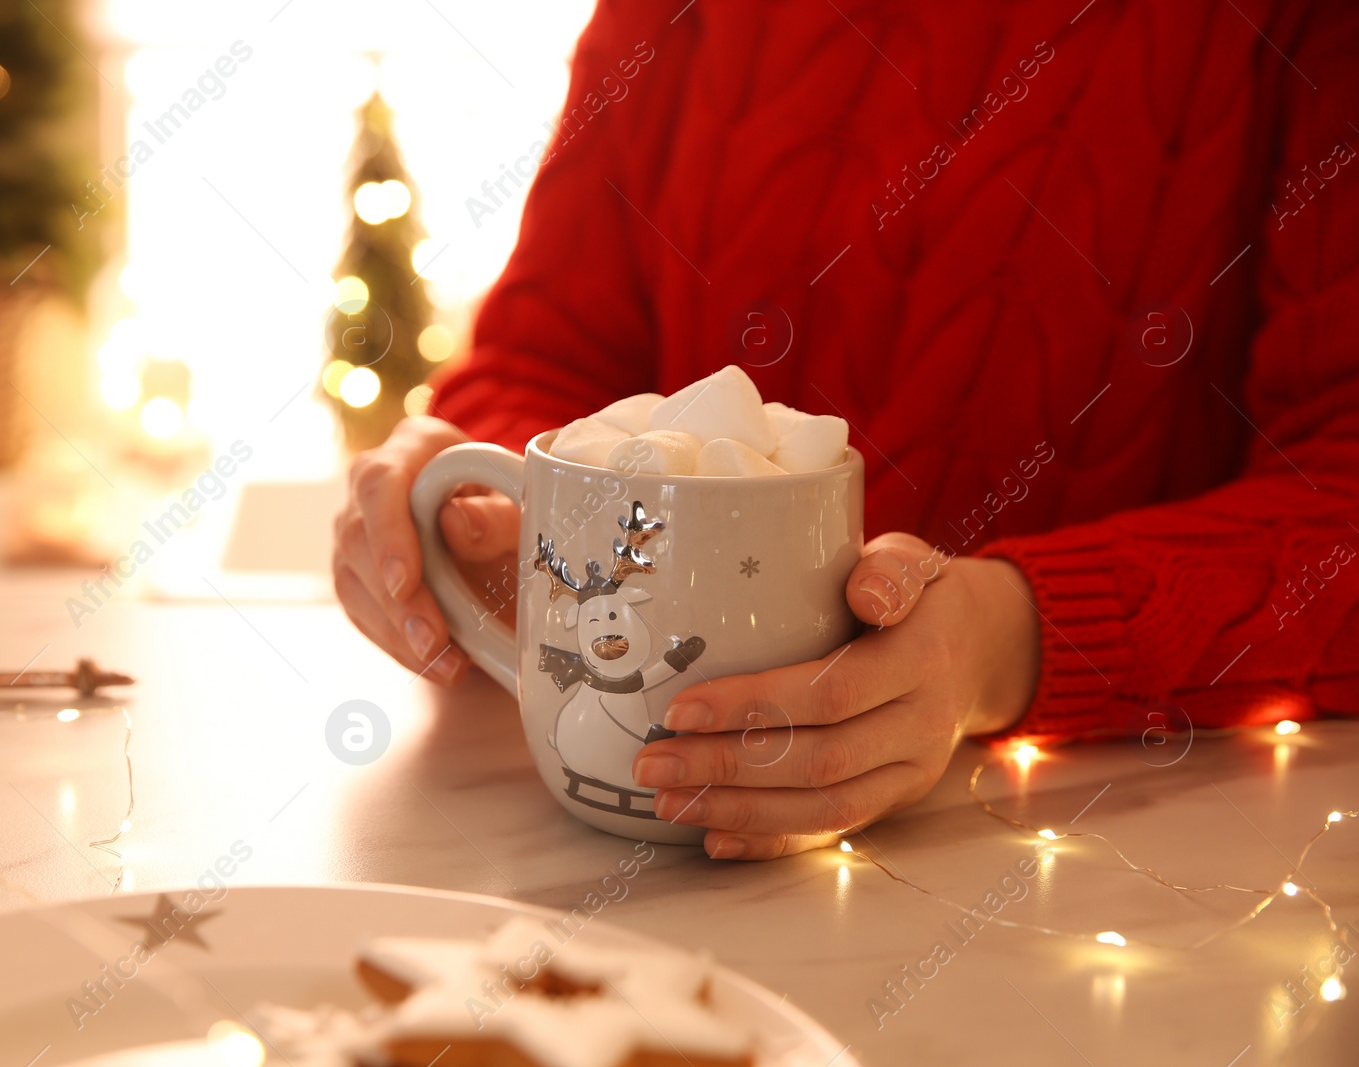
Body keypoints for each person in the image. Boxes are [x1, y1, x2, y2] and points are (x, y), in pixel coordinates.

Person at [333, 1, 1359, 860]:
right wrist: (479, 507)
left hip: (1109, 859)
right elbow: (541, 364)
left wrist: (1004, 642)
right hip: (612, 867)